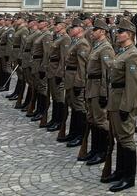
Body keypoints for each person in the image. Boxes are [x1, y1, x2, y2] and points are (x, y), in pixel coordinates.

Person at [101, 18, 137, 192]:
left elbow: (132, 85)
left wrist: (126, 107)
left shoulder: (133, 54)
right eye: (117, 31)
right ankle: (120, 171)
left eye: (121, 31)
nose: (117, 34)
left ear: (130, 34)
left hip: (124, 102)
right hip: (115, 99)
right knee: (119, 137)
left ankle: (129, 177)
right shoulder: (121, 52)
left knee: (126, 139)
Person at [81, 18, 115, 166]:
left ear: (102, 31)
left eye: (95, 30)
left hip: (98, 88)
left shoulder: (106, 48)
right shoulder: (96, 46)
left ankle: (103, 151)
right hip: (91, 86)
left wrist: (104, 94)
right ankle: (95, 149)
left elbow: (107, 74)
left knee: (100, 120)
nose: (92, 32)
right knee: (93, 119)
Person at [64, 19, 90, 149]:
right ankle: (73, 132)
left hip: (76, 79)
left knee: (79, 107)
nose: (70, 29)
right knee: (73, 106)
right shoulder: (75, 41)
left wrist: (79, 84)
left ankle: (80, 135)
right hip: (70, 78)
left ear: (80, 29)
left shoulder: (82, 44)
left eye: (73, 27)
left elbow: (82, 66)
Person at [46, 17, 70, 133]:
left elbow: (64, 58)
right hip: (52, 70)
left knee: (59, 97)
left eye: (57, 24)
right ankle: (55, 119)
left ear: (63, 26)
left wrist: (59, 74)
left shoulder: (65, 39)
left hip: (57, 71)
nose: (55, 26)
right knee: (55, 96)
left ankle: (59, 121)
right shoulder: (58, 38)